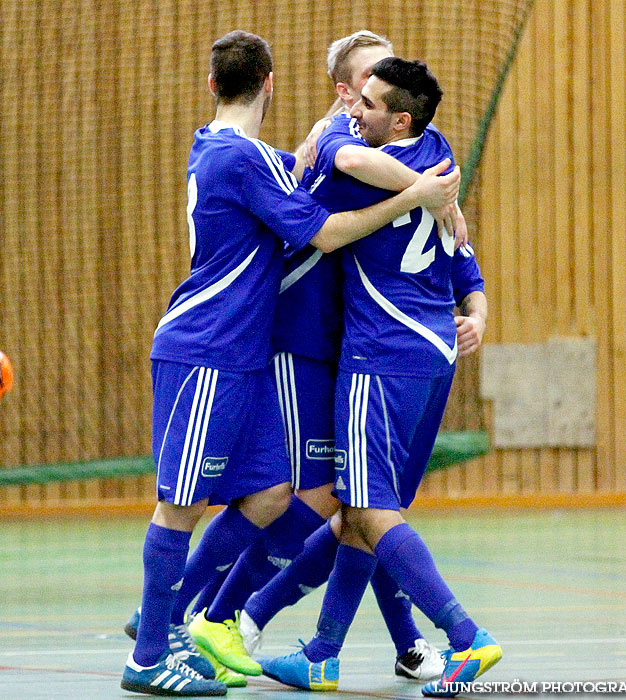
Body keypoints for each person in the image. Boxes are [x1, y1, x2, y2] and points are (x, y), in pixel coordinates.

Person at [121, 31, 458, 697]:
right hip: (206, 346)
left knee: (275, 491)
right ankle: (153, 648)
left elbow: (315, 169)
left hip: (241, 353)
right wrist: (420, 194)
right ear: (271, 83)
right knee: (179, 507)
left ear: (214, 85)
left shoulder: (239, 153)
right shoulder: (244, 159)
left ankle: (202, 620)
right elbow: (328, 228)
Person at [260, 57, 499, 697]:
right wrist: (433, 203)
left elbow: (336, 168)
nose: (351, 112)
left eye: (365, 104)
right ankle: (322, 652)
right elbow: (462, 258)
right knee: (365, 511)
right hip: (431, 356)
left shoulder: (360, 172)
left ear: (399, 119)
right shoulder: (441, 154)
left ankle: (465, 638)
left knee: (365, 504)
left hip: (380, 353)